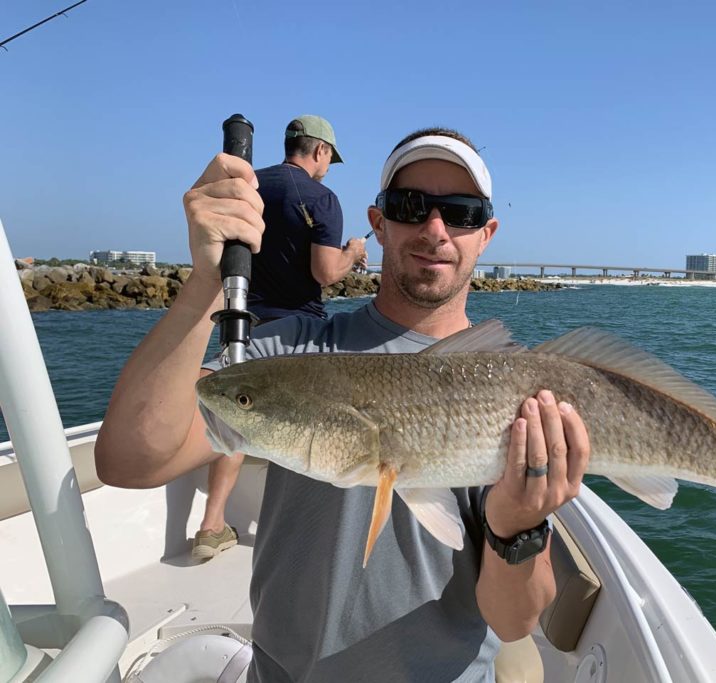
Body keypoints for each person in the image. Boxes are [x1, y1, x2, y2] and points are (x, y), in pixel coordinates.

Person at [95, 127, 591, 681]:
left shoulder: (523, 397)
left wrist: (517, 528)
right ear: (377, 224)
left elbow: (516, 620)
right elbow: (131, 460)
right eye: (410, 206)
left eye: (461, 213)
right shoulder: (288, 350)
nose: (435, 229)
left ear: (486, 234)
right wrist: (207, 282)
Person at [192, 115, 369, 560]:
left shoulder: (251, 188)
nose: (329, 167)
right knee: (312, 428)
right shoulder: (322, 198)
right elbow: (325, 273)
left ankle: (212, 524)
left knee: (235, 418)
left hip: (245, 320)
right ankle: (306, 539)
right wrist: (353, 253)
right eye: (330, 158)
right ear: (320, 151)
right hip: (299, 327)